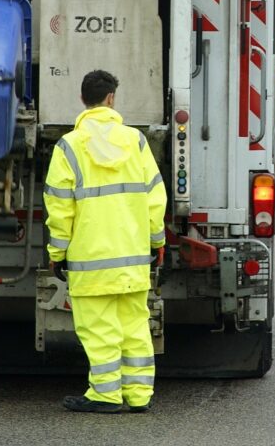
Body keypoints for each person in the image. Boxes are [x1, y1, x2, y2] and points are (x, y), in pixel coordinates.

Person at [44, 69, 167, 414]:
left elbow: (59, 206)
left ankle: (106, 395)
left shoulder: (69, 146)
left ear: (82, 99)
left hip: (91, 262)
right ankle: (139, 395)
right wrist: (157, 241)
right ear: (111, 98)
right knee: (135, 326)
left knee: (99, 330)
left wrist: (57, 252)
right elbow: (155, 196)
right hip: (133, 259)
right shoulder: (136, 141)